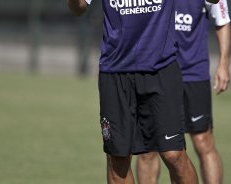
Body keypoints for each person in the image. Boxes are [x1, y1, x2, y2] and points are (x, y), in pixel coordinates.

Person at [67, 0, 198, 183]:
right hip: (115, 73)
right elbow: (77, 9)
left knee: (173, 155)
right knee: (118, 158)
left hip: (161, 70)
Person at [137, 0, 231, 184]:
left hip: (192, 74)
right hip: (156, 73)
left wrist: (224, 64)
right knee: (148, 149)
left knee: (203, 141)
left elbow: (223, 21)